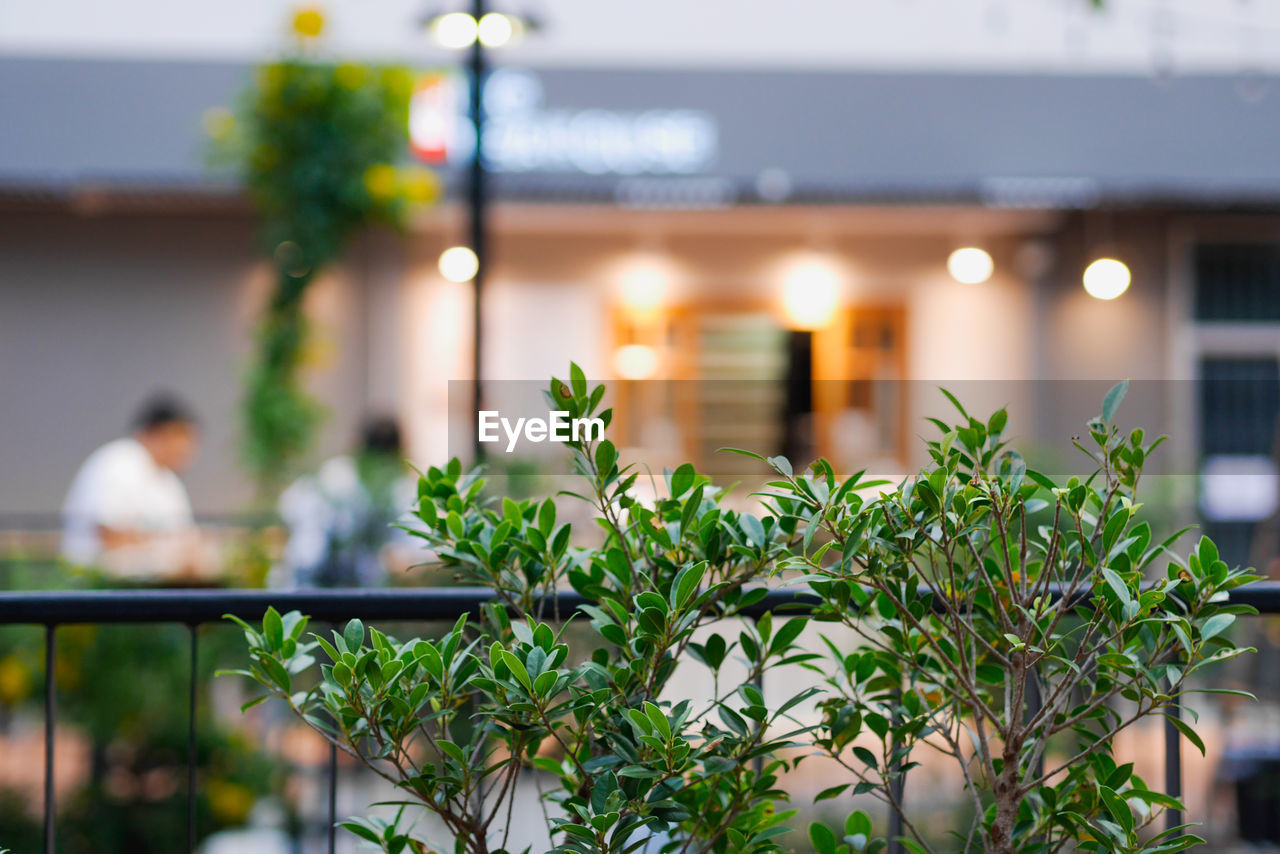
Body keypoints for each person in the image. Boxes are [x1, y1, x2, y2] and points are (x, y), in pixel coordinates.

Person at [61, 395, 211, 580]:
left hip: (154, 587)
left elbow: (186, 540)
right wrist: (163, 551)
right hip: (101, 588)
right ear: (151, 433)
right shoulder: (119, 462)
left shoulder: (168, 481)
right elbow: (109, 535)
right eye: (178, 436)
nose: (186, 447)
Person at [276, 416, 417, 587]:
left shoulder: (335, 472)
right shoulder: (397, 489)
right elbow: (414, 548)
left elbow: (288, 506)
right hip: (332, 582)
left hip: (306, 579)